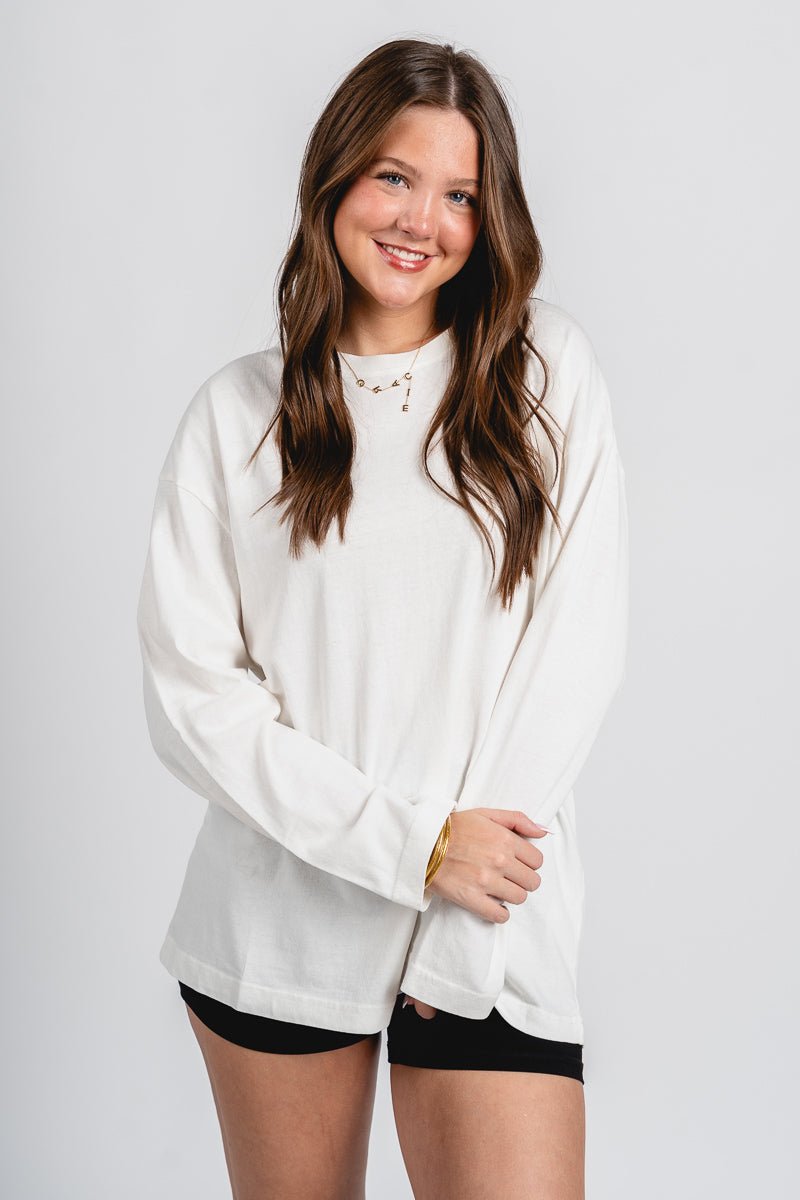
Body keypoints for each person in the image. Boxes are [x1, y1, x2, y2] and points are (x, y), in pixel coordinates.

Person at [136, 35, 628, 1200]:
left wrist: (457, 910)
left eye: (459, 194)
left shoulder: (541, 375)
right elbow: (195, 705)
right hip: (280, 925)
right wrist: (413, 851)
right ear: (335, 179)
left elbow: (572, 652)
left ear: (488, 217)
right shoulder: (235, 418)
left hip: (490, 922)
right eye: (393, 177)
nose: (421, 221)